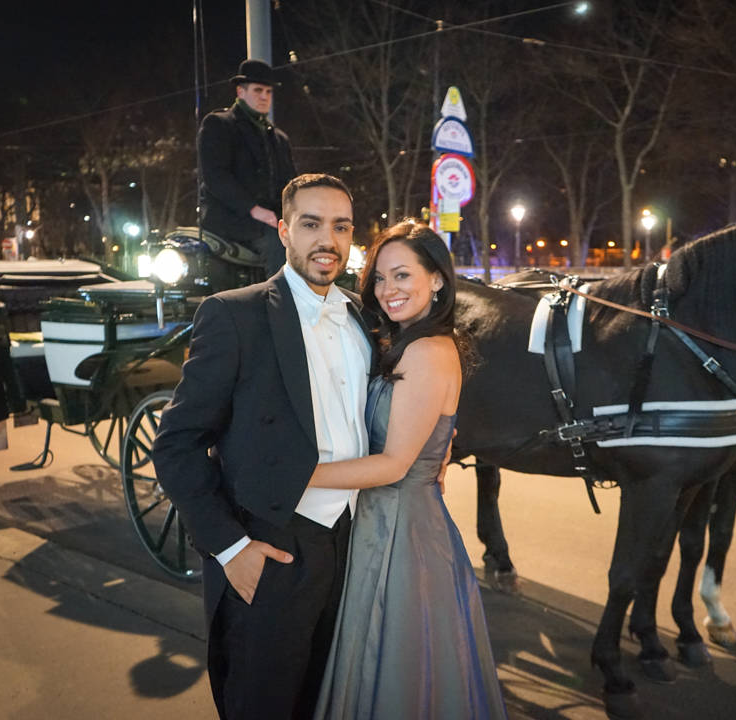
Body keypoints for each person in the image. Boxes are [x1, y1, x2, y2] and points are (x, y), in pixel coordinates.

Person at [152, 173, 369, 720]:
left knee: (326, 699)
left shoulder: (362, 318)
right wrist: (230, 548)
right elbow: (176, 444)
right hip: (269, 544)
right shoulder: (236, 313)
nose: (328, 239)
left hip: (351, 541)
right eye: (312, 224)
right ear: (284, 230)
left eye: (340, 226)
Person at [311, 221, 507, 719]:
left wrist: (297, 475)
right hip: (389, 522)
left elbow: (394, 464)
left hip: (401, 533)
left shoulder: (425, 351)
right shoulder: (408, 342)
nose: (387, 290)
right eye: (378, 278)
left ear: (437, 279)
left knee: (394, 666)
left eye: (402, 276)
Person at [197, 58, 297, 276]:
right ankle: (280, 305)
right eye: (258, 90)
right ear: (240, 92)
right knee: (278, 242)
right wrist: (254, 209)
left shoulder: (278, 138)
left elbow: (291, 185)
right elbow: (216, 176)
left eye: (269, 92)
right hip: (231, 217)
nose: (264, 97)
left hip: (270, 218)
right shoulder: (219, 124)